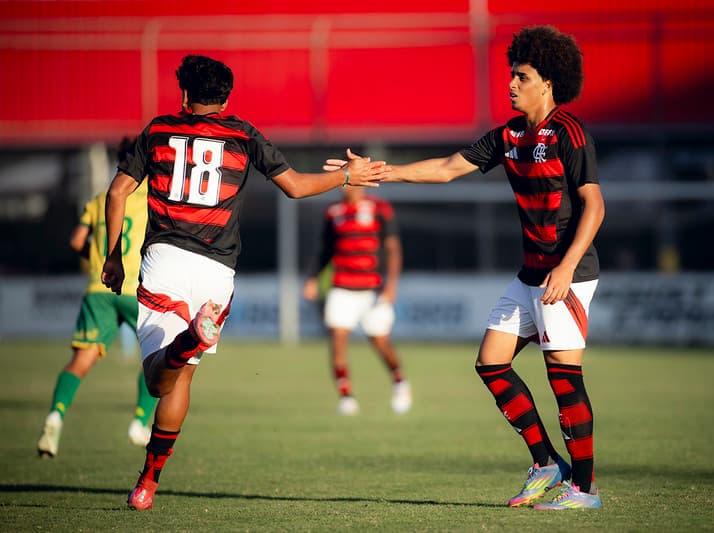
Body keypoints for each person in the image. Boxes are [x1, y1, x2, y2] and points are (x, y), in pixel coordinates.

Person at [326, 26, 605, 509]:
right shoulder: (510, 135)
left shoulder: (569, 133)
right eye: (511, 75)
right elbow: (447, 167)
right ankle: (545, 463)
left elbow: (595, 206)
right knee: (490, 362)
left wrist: (567, 267)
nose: (511, 84)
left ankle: (584, 489)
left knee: (564, 377)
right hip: (531, 273)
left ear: (548, 83)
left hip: (569, 274)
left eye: (522, 76)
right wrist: (383, 172)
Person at [101, 54, 388, 511]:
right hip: (217, 272)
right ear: (227, 97)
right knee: (182, 380)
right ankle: (148, 483)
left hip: (166, 258)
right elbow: (294, 187)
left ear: (183, 95)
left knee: (159, 381)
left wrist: (113, 256)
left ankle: (187, 341)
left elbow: (117, 192)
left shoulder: (156, 130)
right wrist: (345, 176)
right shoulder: (243, 134)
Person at [37, 140, 157, 458]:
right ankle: (139, 422)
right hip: (135, 289)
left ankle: (55, 415)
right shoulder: (148, 198)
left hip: (99, 289)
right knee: (158, 358)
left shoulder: (101, 199)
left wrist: (93, 260)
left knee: (80, 362)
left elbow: (77, 240)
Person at [302, 186, 411, 416]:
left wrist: (391, 285)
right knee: (338, 339)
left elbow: (393, 248)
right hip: (342, 287)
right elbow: (326, 250)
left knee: (380, 341)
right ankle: (346, 397)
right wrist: (312, 278)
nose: (346, 186)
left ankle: (400, 382)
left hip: (373, 289)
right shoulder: (334, 212)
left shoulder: (379, 208)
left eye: (350, 180)